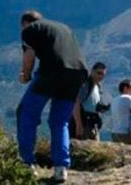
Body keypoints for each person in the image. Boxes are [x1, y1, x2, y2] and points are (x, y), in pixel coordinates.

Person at [16, 10, 88, 182]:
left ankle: (26, 163)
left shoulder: (29, 29)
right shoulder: (63, 27)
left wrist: (26, 76)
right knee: (60, 121)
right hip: (78, 72)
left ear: (26, 23)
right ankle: (61, 168)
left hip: (52, 70)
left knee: (26, 112)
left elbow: (29, 57)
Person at [71, 62, 108, 141]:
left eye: (103, 74)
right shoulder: (86, 85)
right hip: (85, 125)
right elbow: (76, 103)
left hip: (93, 125)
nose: (100, 76)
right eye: (99, 73)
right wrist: (78, 124)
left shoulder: (98, 86)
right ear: (92, 71)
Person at [111, 79, 131, 145]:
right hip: (126, 133)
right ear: (125, 88)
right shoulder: (128, 98)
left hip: (115, 133)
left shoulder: (114, 100)